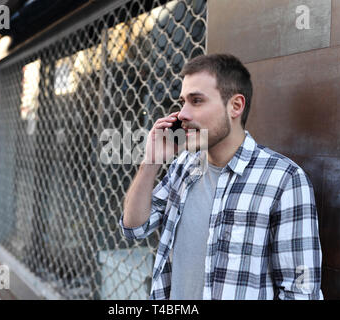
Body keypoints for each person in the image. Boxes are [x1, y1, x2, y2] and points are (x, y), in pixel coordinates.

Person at [120, 53, 323, 300]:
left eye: (196, 101)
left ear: (235, 106)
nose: (182, 114)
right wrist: (150, 162)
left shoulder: (284, 180)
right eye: (182, 101)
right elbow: (134, 229)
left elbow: (300, 291)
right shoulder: (184, 167)